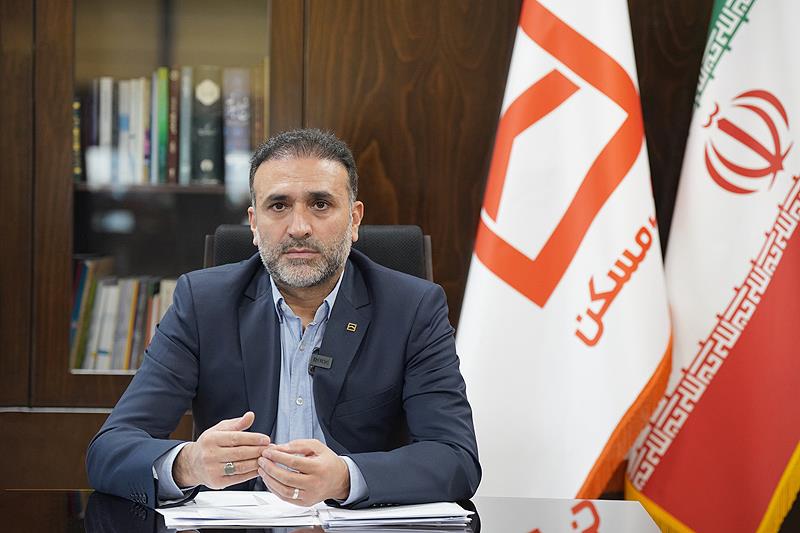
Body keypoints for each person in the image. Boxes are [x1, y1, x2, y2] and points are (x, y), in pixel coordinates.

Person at [86, 129, 480, 509]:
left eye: (320, 204)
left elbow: (455, 458)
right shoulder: (202, 304)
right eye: (278, 206)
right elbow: (110, 449)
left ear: (354, 219)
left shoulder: (412, 309)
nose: (299, 228)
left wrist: (345, 477)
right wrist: (188, 464)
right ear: (254, 224)